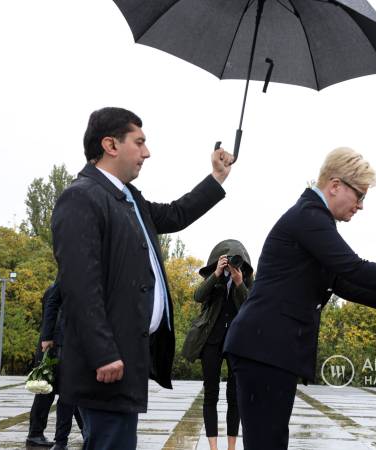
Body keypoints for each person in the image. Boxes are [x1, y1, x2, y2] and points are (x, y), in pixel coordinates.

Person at [223, 147, 376, 450]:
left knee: (270, 441)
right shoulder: (309, 217)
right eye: (359, 195)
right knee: (266, 442)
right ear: (335, 186)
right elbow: (353, 267)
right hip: (265, 346)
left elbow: (343, 283)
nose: (360, 206)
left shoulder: (313, 218)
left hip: (269, 347)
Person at [51, 107, 234, 450]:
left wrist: (217, 177)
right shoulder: (81, 197)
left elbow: (177, 214)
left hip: (128, 357)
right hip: (106, 364)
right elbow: (79, 287)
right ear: (110, 144)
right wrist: (103, 352)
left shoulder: (128, 198)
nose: (147, 152)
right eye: (139, 142)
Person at [181, 240, 254, 450]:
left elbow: (252, 307)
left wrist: (239, 283)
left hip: (236, 343)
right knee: (210, 393)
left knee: (235, 396)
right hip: (211, 341)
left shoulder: (247, 279)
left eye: (235, 261)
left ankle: (231, 447)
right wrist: (216, 274)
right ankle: (213, 447)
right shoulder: (215, 278)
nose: (232, 264)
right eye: (228, 260)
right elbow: (198, 296)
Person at [27, 281, 84, 450]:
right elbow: (55, 319)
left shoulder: (54, 287)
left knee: (64, 393)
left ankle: (37, 433)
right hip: (55, 349)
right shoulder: (59, 288)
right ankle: (35, 434)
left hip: (54, 347)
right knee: (49, 393)